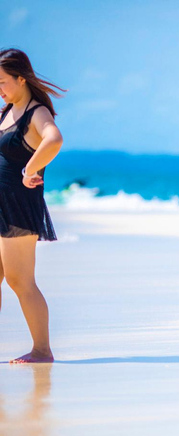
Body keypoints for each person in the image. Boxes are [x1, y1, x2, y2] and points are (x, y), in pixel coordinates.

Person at [0, 48, 64, 364]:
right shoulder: (6, 111)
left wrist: (31, 168)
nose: (0, 89)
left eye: (2, 82)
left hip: (17, 206)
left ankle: (42, 350)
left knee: (19, 280)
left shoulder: (36, 112)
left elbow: (53, 139)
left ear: (20, 78)